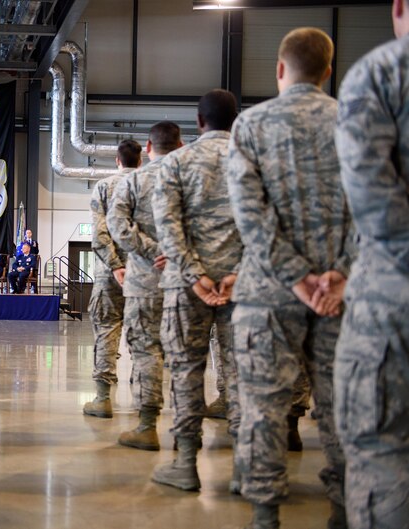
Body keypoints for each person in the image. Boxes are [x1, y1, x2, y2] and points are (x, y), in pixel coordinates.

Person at [229, 28, 354, 529]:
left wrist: (294, 276)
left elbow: (249, 214)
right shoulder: (357, 123)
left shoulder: (250, 126)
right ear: (328, 72)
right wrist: (338, 274)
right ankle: (345, 511)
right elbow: (379, 205)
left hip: (268, 293)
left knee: (263, 406)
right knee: (344, 407)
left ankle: (265, 515)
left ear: (279, 70)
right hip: (342, 296)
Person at [335, 2, 409, 526]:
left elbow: (374, 206)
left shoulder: (382, 74)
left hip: (392, 303)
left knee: (382, 451)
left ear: (399, 7)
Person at [151, 90, 242, 492]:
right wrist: (238, 272)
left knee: (187, 371)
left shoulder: (175, 163)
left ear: (199, 122)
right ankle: (247, 469)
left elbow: (167, 226)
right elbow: (264, 221)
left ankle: (186, 463)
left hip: (188, 289)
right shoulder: (251, 160)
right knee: (242, 373)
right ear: (235, 120)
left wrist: (194, 274)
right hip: (242, 287)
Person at [110, 122, 181, 450]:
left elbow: (116, 225)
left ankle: (148, 425)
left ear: (148, 149)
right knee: (184, 354)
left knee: (146, 350)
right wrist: (177, 252)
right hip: (185, 281)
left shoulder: (135, 181)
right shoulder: (189, 177)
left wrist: (152, 250)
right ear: (180, 145)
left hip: (144, 282)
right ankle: (185, 433)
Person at [83, 139, 142, 418]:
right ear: (140, 160)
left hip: (109, 274)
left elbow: (99, 234)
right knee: (144, 335)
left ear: (117, 160)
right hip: (145, 273)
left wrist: (116, 265)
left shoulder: (104, 187)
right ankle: (143, 398)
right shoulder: (151, 184)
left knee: (107, 330)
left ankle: (103, 398)